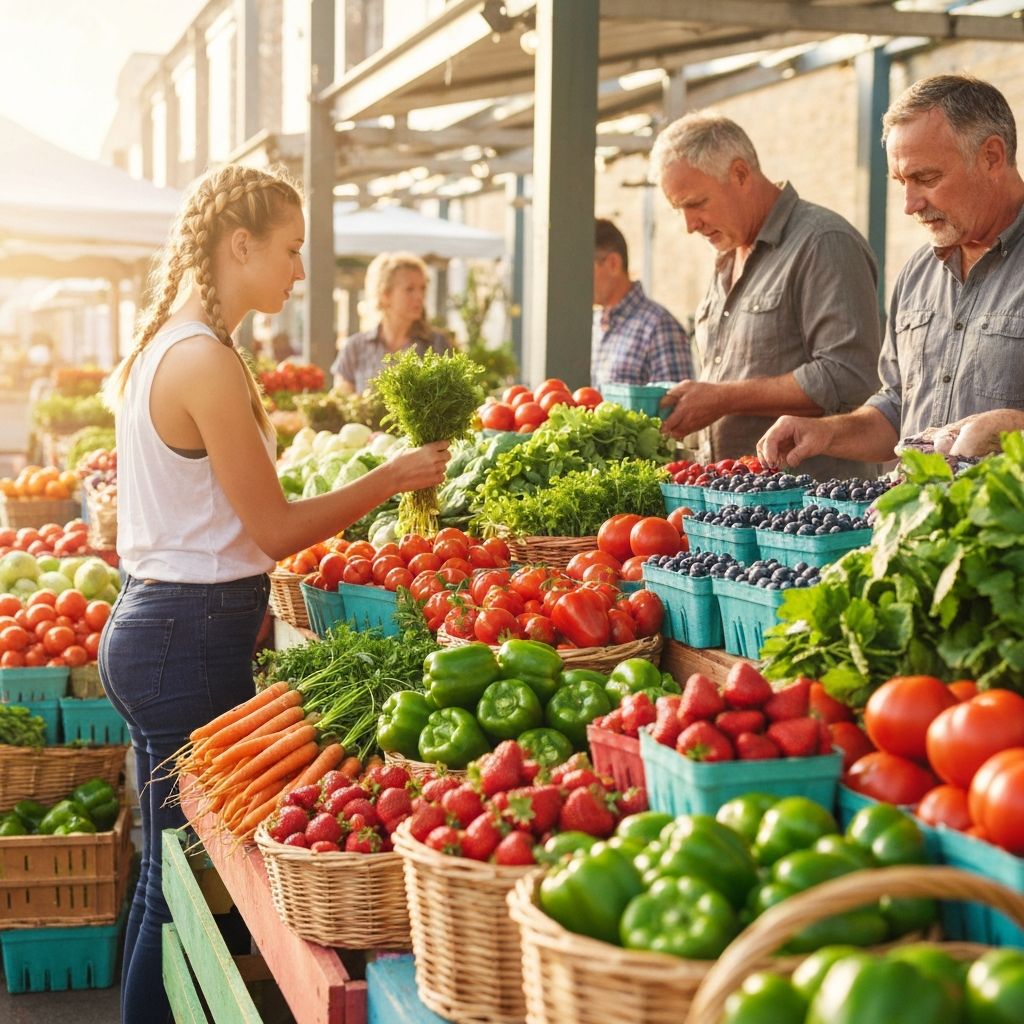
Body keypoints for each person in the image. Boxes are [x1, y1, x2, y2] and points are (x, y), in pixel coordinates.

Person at [98, 165, 449, 1024]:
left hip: (161, 622)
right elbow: (275, 531)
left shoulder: (163, 347)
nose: (299, 271)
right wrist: (391, 474)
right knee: (180, 888)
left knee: (171, 877)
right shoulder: (204, 361)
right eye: (290, 251)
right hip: (188, 634)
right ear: (239, 244)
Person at [759, 74, 1024, 470]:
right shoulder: (918, 273)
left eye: (926, 178)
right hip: (914, 527)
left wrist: (1012, 430)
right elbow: (898, 407)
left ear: (991, 156)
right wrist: (828, 432)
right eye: (900, 181)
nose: (909, 204)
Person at [650, 111, 882, 480]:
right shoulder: (727, 255)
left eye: (696, 203)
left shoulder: (823, 243)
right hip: (733, 501)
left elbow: (848, 375)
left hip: (808, 513)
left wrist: (723, 398)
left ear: (740, 174)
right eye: (680, 209)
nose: (689, 225)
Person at [590, 218, 693, 390]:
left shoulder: (660, 328)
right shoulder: (595, 323)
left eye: (584, 267)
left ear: (613, 264)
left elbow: (676, 410)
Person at [331, 250, 449, 393]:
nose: (419, 296)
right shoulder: (355, 347)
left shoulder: (436, 344)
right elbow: (341, 403)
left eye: (422, 288)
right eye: (409, 289)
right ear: (385, 295)